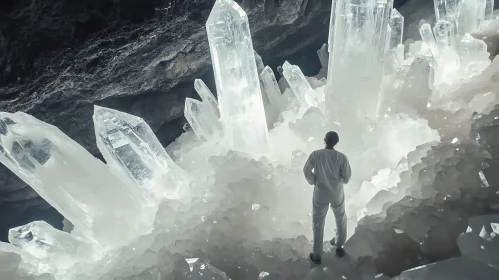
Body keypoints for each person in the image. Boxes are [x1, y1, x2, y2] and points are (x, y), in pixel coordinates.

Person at [303, 131, 351, 264]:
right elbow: (346, 178)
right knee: (341, 217)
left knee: (318, 222)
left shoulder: (316, 154)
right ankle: (339, 245)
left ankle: (317, 255)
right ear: (337, 142)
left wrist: (314, 181)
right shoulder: (342, 157)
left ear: (324, 140)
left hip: (320, 192)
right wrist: (338, 181)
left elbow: (306, 171)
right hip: (337, 193)